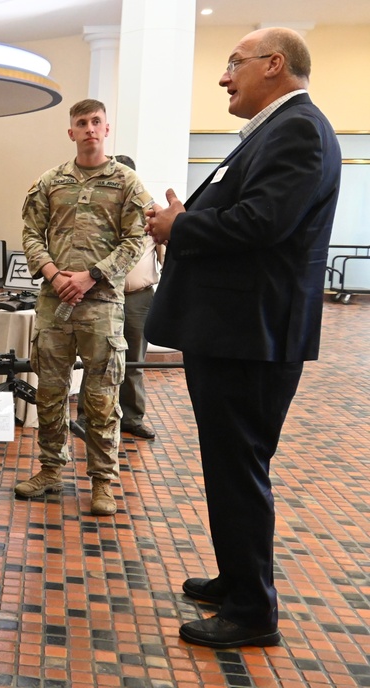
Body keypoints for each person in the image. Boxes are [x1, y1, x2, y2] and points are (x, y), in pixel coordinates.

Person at [144, 28, 341, 649]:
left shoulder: (299, 131)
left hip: (250, 335)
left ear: (274, 65)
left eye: (234, 64)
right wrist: (189, 221)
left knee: (239, 469)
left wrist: (182, 225)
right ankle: (236, 578)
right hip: (234, 331)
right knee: (228, 465)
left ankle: (253, 611)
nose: (225, 77)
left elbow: (262, 223)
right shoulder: (274, 132)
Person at [14, 99, 151, 517]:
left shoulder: (127, 182)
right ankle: (51, 470)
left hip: (102, 305)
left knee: (102, 398)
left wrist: (90, 275)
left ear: (107, 129)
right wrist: (56, 276)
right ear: (70, 132)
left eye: (96, 122)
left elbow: (136, 241)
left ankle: (102, 482)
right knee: (51, 393)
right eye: (81, 123)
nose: (89, 129)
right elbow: (31, 234)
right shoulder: (50, 182)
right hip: (55, 305)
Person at [77, 155, 163, 439]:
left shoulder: (152, 214)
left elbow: (165, 252)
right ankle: (85, 417)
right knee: (96, 358)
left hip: (139, 297)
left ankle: (132, 418)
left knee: (134, 361)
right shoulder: (98, 212)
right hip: (101, 295)